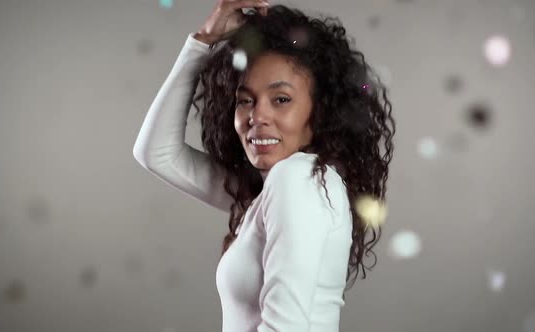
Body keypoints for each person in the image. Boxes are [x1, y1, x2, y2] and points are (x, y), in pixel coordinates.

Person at [133, 1, 395, 330]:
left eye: (281, 99)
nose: (258, 117)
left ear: (320, 112)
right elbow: (157, 153)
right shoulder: (274, 189)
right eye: (246, 101)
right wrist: (202, 40)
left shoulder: (297, 179)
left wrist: (203, 41)